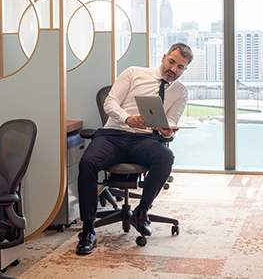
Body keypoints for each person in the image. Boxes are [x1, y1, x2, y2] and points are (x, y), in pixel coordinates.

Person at [75, 43, 192, 255]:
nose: (173, 69)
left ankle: (142, 211)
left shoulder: (181, 91)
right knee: (88, 163)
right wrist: (127, 118)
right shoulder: (134, 73)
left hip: (145, 140)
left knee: (166, 156)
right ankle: (88, 229)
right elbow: (110, 103)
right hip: (114, 135)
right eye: (172, 62)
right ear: (164, 57)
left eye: (180, 67)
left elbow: (172, 122)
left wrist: (167, 131)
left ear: (184, 70)